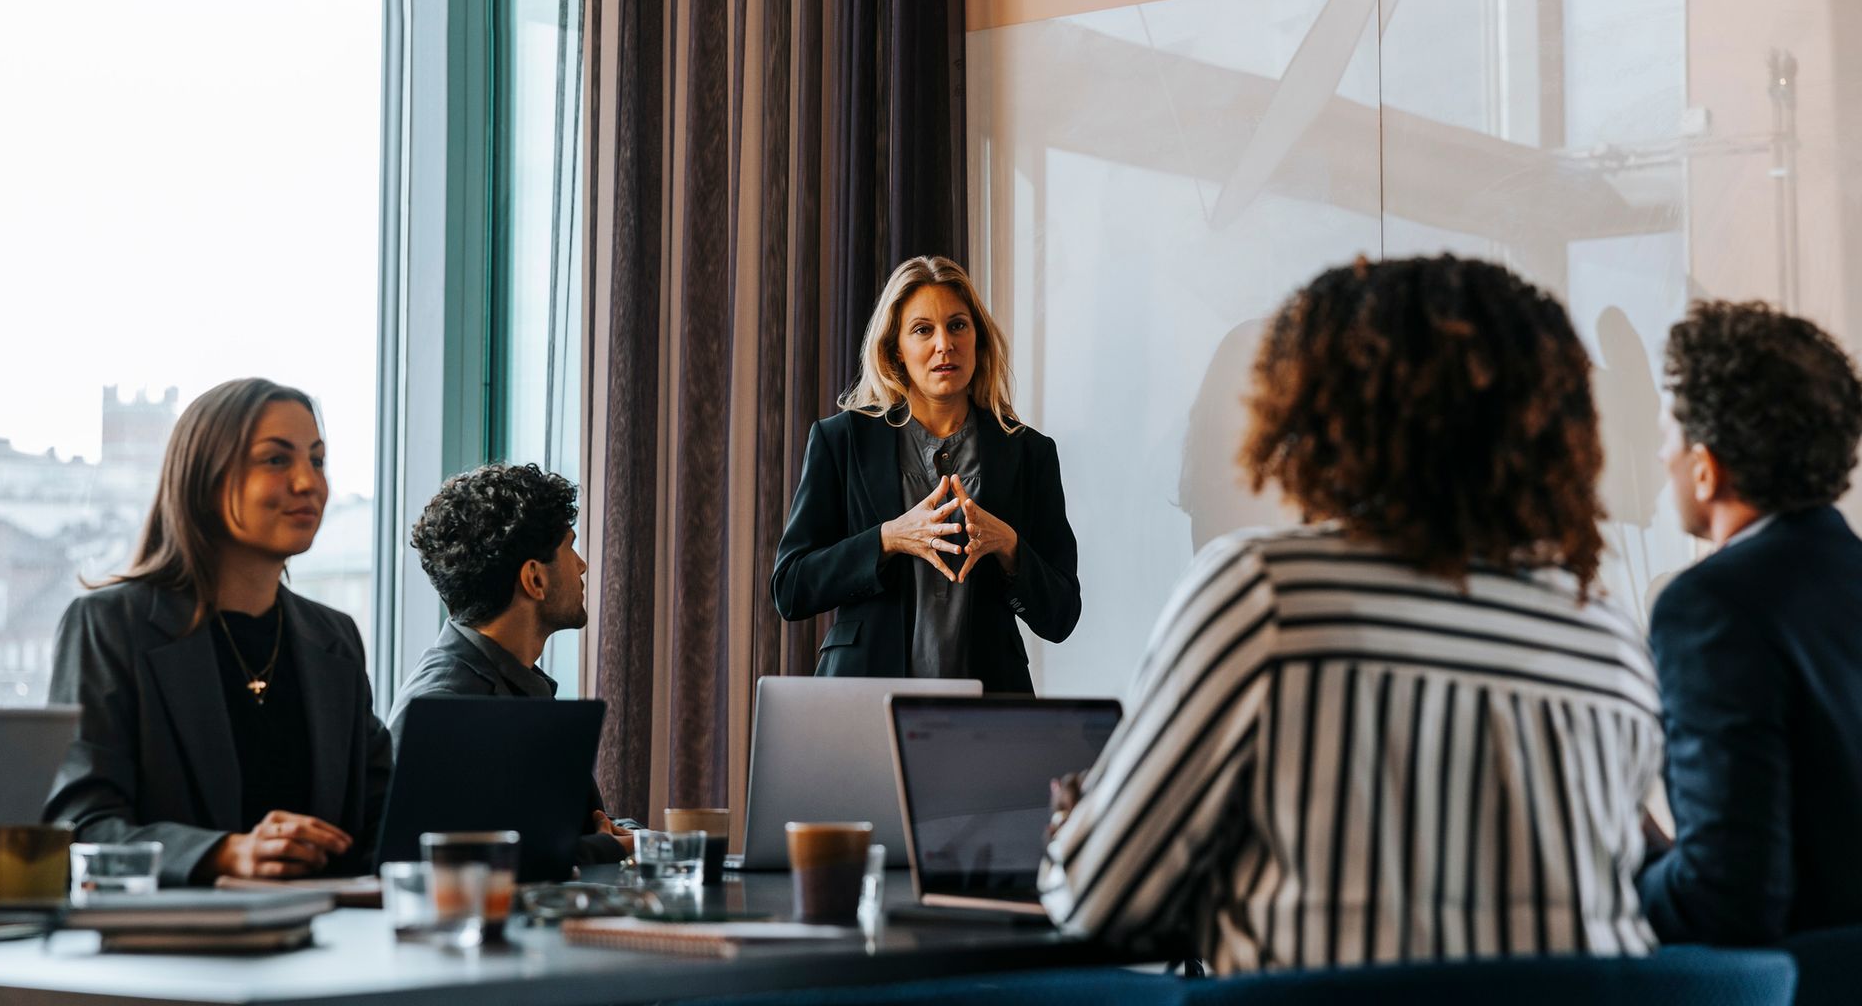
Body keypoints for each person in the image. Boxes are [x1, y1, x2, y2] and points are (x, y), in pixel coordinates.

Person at [1040, 255, 1662, 970]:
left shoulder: (1264, 595)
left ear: (1328, 411)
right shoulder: (1609, 639)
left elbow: (1098, 904)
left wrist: (1080, 821)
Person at [45, 379, 390, 885]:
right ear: (205, 481)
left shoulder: (333, 638)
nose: (308, 483)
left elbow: (385, 817)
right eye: (277, 460)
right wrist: (223, 854)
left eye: (316, 460)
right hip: (169, 953)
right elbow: (80, 828)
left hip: (324, 948)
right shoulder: (109, 626)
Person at [1637, 301, 1862, 945]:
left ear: (1706, 468)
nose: (1660, 457)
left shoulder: (1708, 606)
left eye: (1668, 437)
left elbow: (1729, 901)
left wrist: (1628, 859)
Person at [771, 255, 1080, 691]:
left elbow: (1062, 614)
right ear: (896, 348)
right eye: (922, 330)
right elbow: (791, 587)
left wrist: (1008, 545)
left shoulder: (1030, 453)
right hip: (862, 705)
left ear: (978, 339)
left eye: (957, 325)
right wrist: (888, 539)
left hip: (990, 711)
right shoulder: (841, 441)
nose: (944, 344)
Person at [395, 463, 631, 862]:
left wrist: (630, 837)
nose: (582, 565)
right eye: (569, 547)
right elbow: (452, 862)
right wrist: (603, 847)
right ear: (534, 579)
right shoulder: (446, 704)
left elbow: (568, 829)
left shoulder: (512, 683)